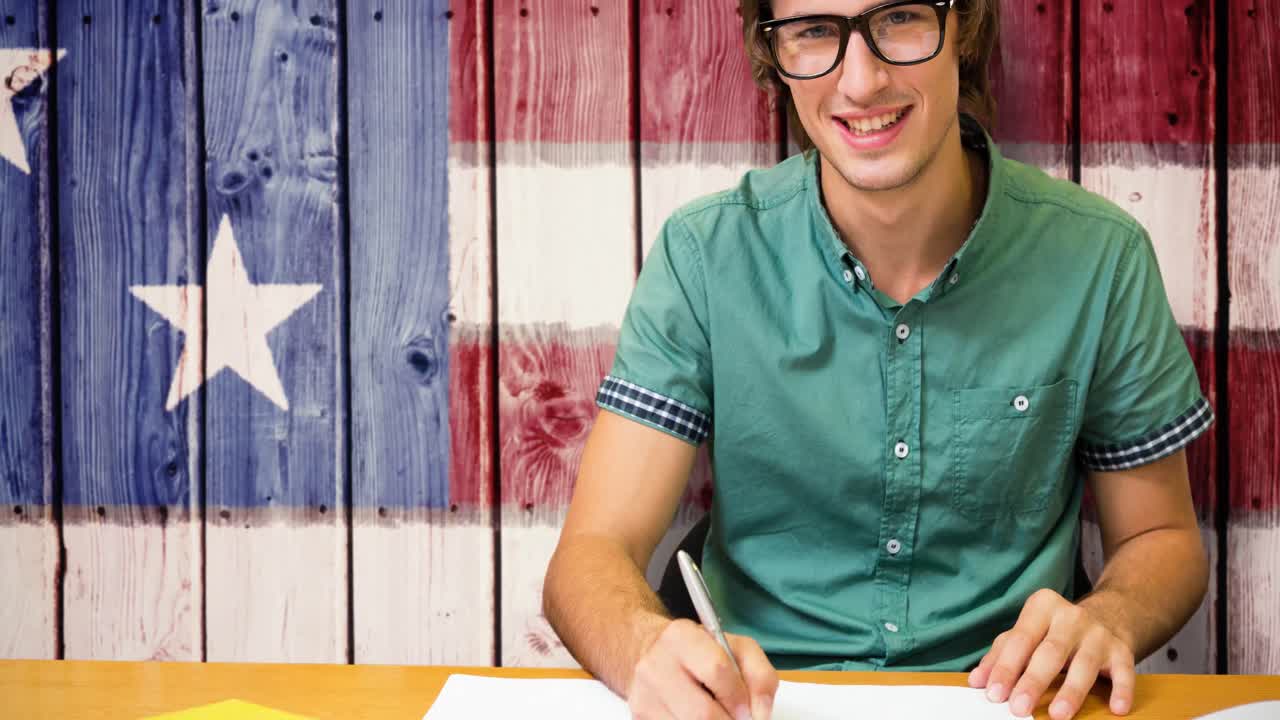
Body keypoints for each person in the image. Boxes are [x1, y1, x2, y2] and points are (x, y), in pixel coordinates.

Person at [542, 1, 1214, 719]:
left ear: (966, 27)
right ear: (775, 55)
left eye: (898, 18)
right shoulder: (704, 257)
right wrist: (643, 646)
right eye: (813, 32)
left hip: (1007, 703)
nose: (859, 82)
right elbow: (591, 554)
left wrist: (1111, 613)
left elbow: (1161, 537)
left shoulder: (1099, 260)